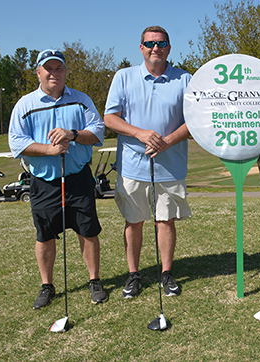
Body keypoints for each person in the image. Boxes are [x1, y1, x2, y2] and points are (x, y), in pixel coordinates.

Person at [9, 49, 108, 309]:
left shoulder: (81, 100)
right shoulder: (25, 104)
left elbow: (98, 132)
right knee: (45, 234)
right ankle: (47, 285)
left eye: (59, 68)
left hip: (78, 178)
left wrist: (73, 134)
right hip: (44, 181)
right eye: (49, 68)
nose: (54, 73)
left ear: (65, 71)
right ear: (39, 72)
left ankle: (94, 281)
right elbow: (17, 143)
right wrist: (50, 150)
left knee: (88, 231)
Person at [104, 25, 192, 299]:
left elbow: (194, 121)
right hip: (133, 165)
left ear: (169, 48)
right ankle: (133, 274)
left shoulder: (185, 79)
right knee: (134, 221)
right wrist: (140, 133)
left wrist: (167, 141)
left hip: (171, 165)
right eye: (150, 43)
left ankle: (166, 273)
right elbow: (110, 118)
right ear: (141, 47)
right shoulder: (124, 77)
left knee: (165, 221)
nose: (156, 48)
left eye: (162, 43)